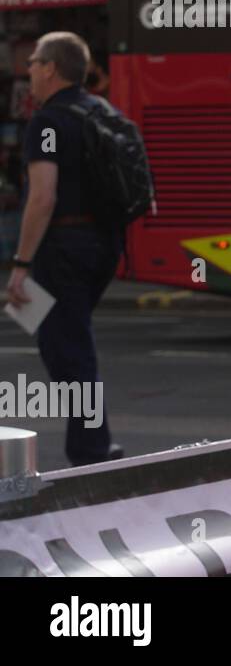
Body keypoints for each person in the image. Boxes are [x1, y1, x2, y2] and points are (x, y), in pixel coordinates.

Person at [5, 31, 124, 465]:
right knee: (70, 341)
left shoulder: (48, 121)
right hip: (105, 245)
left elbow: (43, 198)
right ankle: (92, 446)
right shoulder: (101, 110)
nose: (30, 70)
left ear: (51, 68)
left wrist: (20, 264)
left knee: (68, 352)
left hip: (65, 248)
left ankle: (92, 453)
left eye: (34, 62)